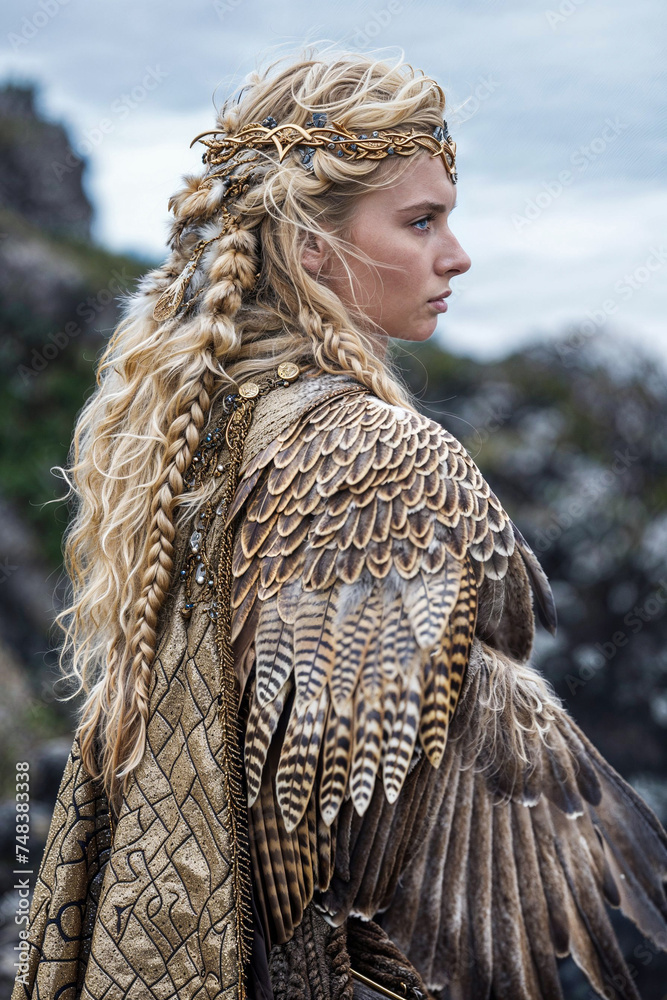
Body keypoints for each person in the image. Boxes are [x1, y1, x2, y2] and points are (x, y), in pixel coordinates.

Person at [12, 47, 667, 1000]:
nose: (456, 254)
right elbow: (327, 820)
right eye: (420, 221)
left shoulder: (198, 411)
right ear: (311, 247)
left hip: (143, 925)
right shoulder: (380, 455)